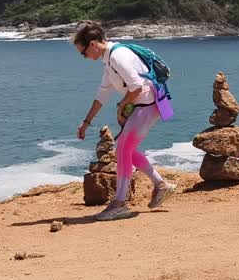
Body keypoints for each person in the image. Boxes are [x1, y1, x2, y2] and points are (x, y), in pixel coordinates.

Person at [72, 21, 177, 221]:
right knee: (124, 148)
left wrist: (122, 106)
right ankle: (161, 185)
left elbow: (136, 87)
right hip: (143, 106)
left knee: (122, 149)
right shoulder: (109, 60)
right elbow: (102, 94)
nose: (84, 57)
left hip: (147, 105)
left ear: (93, 44)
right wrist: (86, 122)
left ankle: (120, 204)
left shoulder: (117, 56)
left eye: (83, 52)